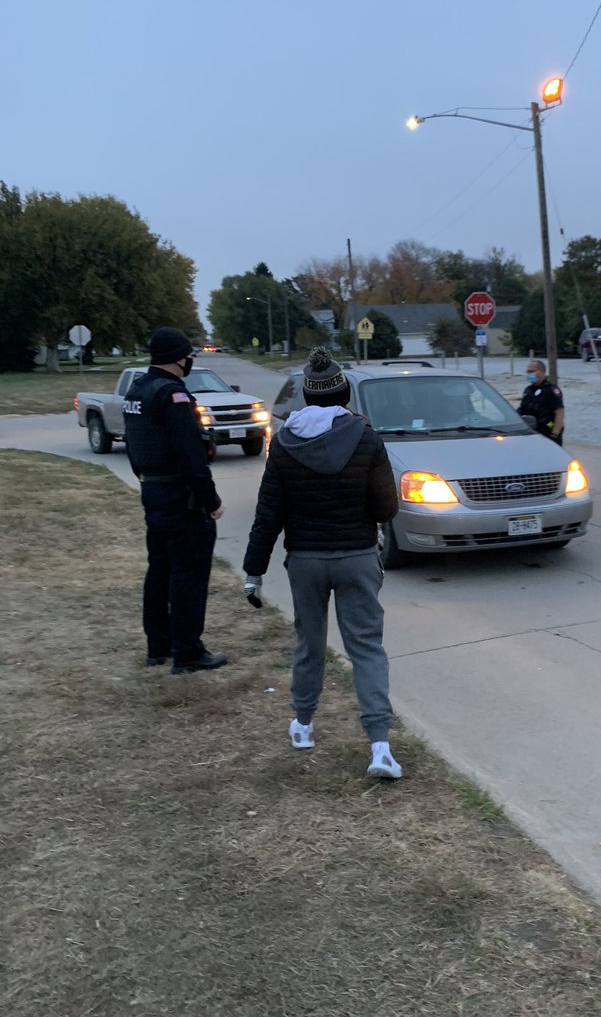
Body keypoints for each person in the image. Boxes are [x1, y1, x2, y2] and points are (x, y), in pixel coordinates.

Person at [242, 347, 402, 779]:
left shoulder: (285, 444)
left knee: (309, 643)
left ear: (307, 399)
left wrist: (253, 572)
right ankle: (380, 747)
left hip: (307, 561)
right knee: (366, 647)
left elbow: (268, 514)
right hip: (357, 557)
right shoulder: (366, 438)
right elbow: (387, 506)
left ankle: (303, 725)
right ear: (344, 394)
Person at [124, 327, 227, 675]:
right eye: (189, 356)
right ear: (179, 359)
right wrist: (210, 500)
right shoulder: (173, 396)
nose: (190, 362)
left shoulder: (137, 390)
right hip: (181, 497)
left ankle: (158, 645)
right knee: (189, 574)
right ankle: (188, 652)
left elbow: (135, 449)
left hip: (153, 491)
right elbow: (191, 458)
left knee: (160, 570)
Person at [517, 359, 565, 445]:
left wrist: (555, 434)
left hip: (547, 433)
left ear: (541, 372)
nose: (529, 374)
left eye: (532, 371)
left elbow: (559, 412)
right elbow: (522, 410)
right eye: (528, 372)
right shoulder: (528, 390)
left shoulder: (551, 389)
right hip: (532, 433)